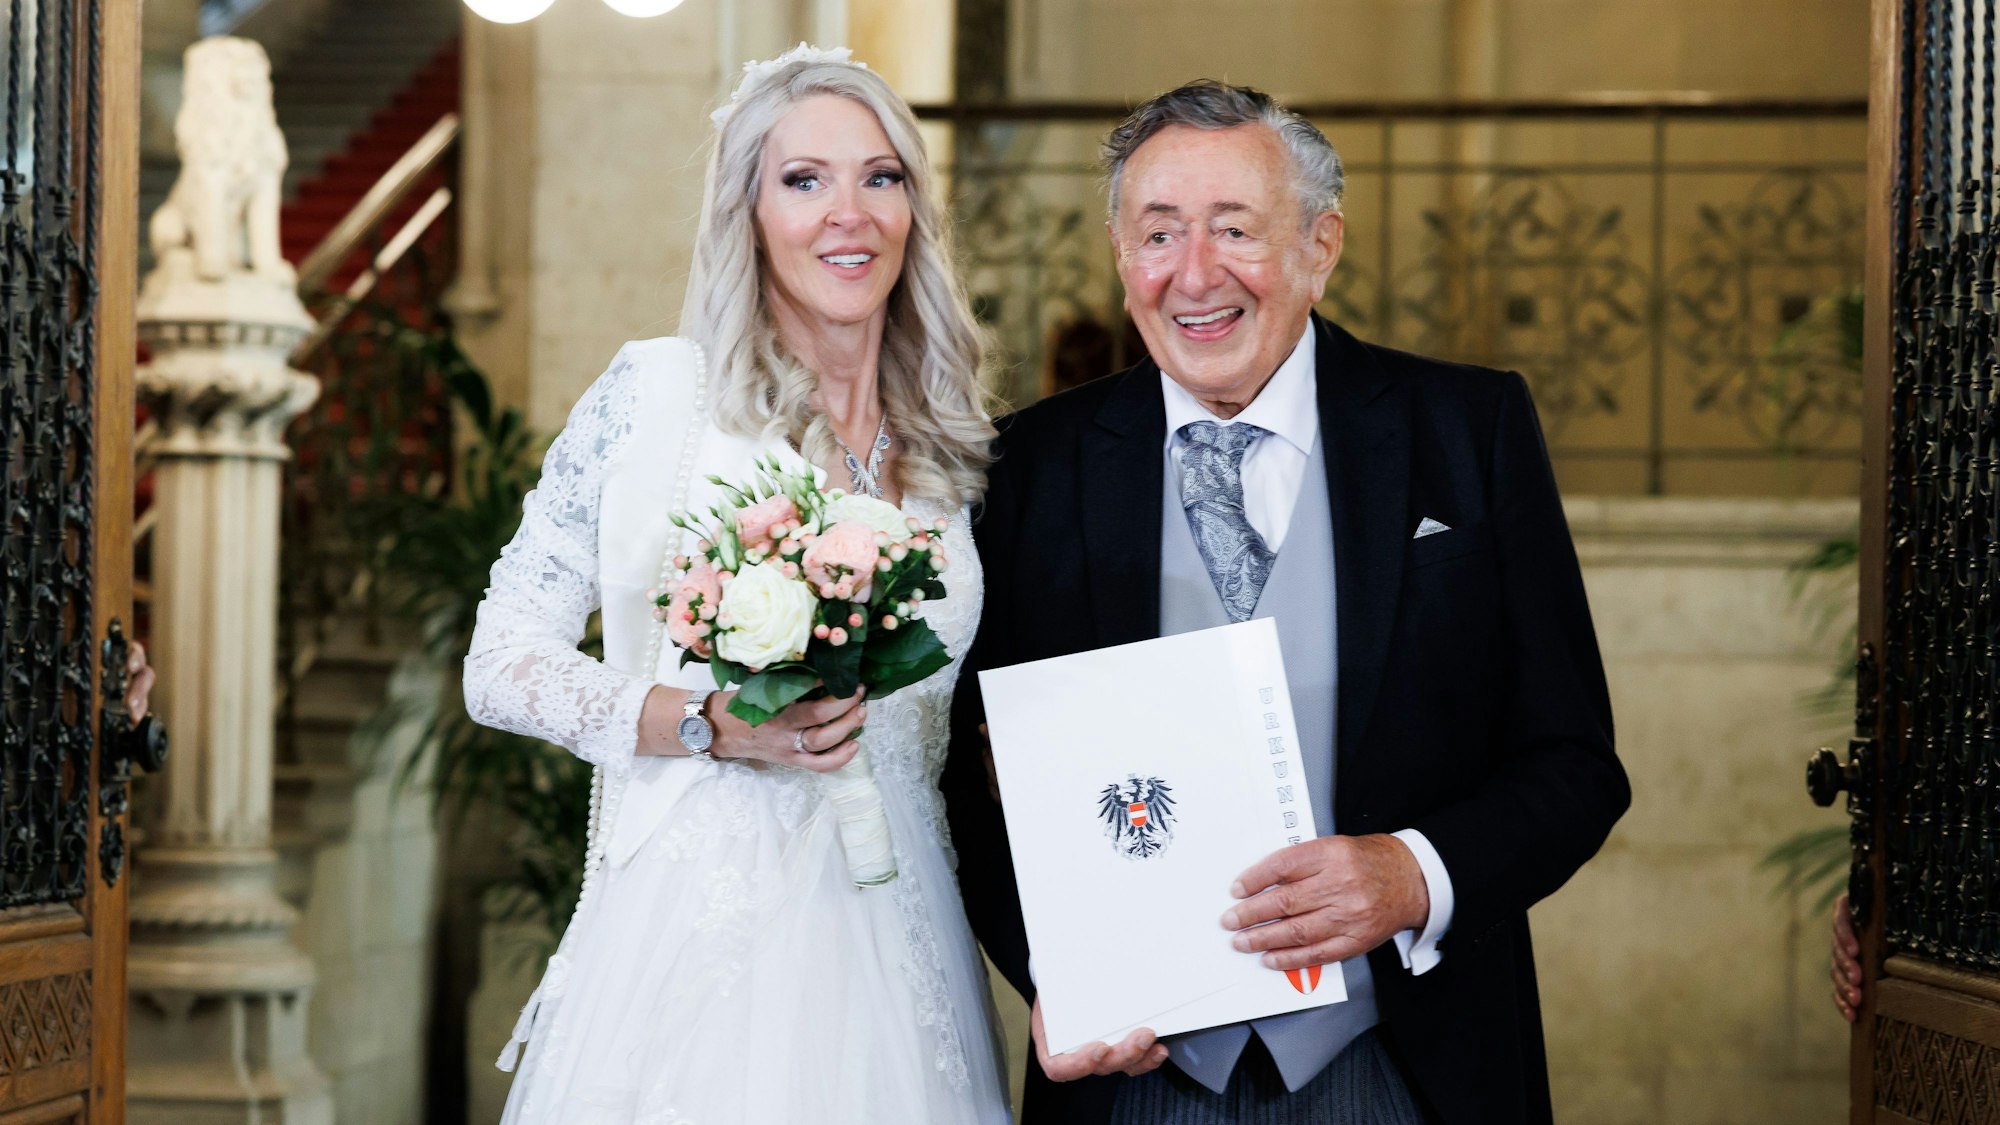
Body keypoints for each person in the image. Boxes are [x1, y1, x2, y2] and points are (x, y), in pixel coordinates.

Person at [946, 80, 1631, 1124]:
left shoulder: (1467, 429)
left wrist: (1415, 874)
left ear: (1320, 247)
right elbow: (951, 770)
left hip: (1401, 1067)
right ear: (1120, 258)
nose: (1193, 274)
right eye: (1158, 234)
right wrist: (1053, 968)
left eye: (1234, 229)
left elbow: (1575, 766)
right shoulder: (1025, 469)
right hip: (1134, 1082)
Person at [464, 45, 1010, 1125]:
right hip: (700, 945)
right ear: (747, 213)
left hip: (905, 941)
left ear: (913, 206)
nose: (846, 214)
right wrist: (707, 723)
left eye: (880, 177)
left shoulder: (953, 449)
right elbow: (499, 664)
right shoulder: (660, 400)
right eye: (803, 181)